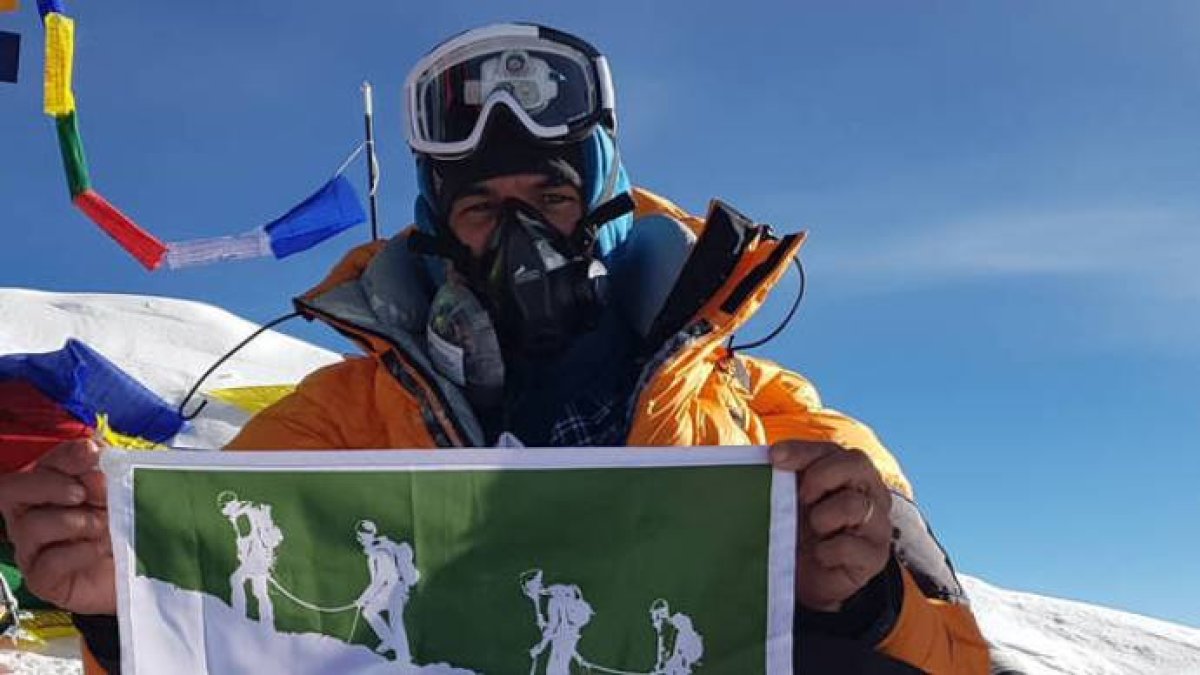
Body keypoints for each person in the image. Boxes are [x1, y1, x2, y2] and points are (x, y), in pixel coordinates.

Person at [0, 22, 991, 674]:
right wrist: (114, 613)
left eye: (550, 198)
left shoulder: (780, 425)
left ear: (603, 210)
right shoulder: (336, 426)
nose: (519, 232)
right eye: (481, 206)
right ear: (439, 233)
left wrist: (861, 607)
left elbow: (957, 656)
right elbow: (222, 630)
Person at [353, 520, 419, 663]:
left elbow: (381, 579)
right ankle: (389, 640)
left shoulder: (380, 552)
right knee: (368, 611)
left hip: (396, 590)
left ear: (370, 535)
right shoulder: (377, 549)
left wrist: (363, 598)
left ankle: (404, 657)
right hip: (390, 590)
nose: (360, 540)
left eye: (361, 536)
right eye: (359, 537)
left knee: (396, 621)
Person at [217, 491, 282, 627]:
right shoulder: (250, 510)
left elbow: (247, 540)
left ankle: (239, 616)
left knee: (236, 580)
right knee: (260, 592)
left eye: (224, 507)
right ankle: (267, 622)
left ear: (230, 504)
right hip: (262, 558)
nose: (223, 511)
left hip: (255, 559)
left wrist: (246, 560)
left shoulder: (241, 517)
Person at [650, 598, 703, 675]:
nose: (654, 623)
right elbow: (662, 658)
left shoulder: (680, 621)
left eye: (656, 618)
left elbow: (681, 648)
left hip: (689, 653)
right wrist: (660, 667)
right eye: (654, 620)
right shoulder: (662, 632)